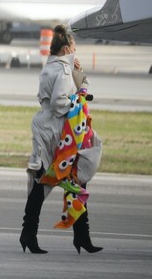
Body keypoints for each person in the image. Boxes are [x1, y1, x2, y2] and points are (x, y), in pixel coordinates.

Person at [20, 25, 103, 254]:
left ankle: (32, 234)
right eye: (74, 47)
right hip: (57, 131)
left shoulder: (51, 67)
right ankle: (80, 236)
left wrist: (78, 73)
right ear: (67, 48)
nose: (76, 51)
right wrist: (76, 103)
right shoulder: (65, 72)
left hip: (44, 126)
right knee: (74, 179)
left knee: (44, 183)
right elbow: (60, 102)